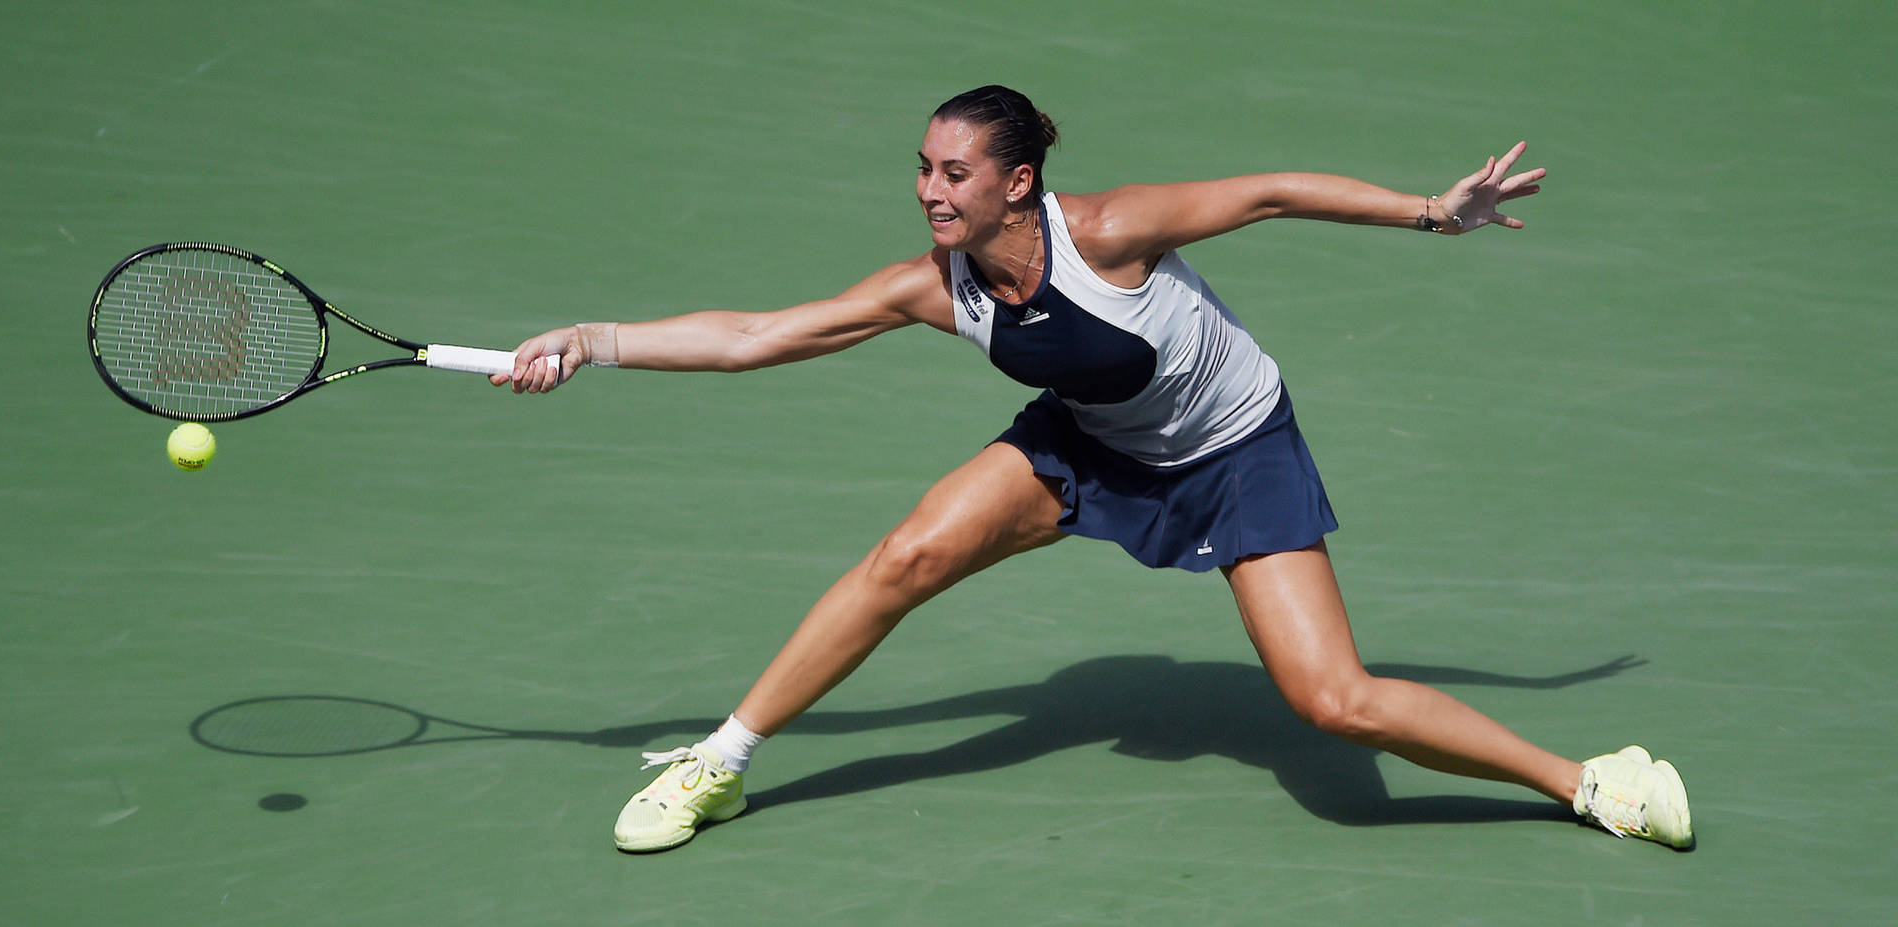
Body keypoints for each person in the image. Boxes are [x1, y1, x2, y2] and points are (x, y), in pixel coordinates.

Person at [492, 85, 1693, 852]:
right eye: (922, 167)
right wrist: (593, 340)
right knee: (908, 552)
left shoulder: (1107, 230)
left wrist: (1433, 211)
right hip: (1092, 445)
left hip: (1234, 454)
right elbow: (758, 334)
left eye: (953, 173)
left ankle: (1585, 781)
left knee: (1334, 705)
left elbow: (1268, 193)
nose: (928, 190)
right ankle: (725, 762)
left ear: (1017, 183)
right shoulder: (938, 285)